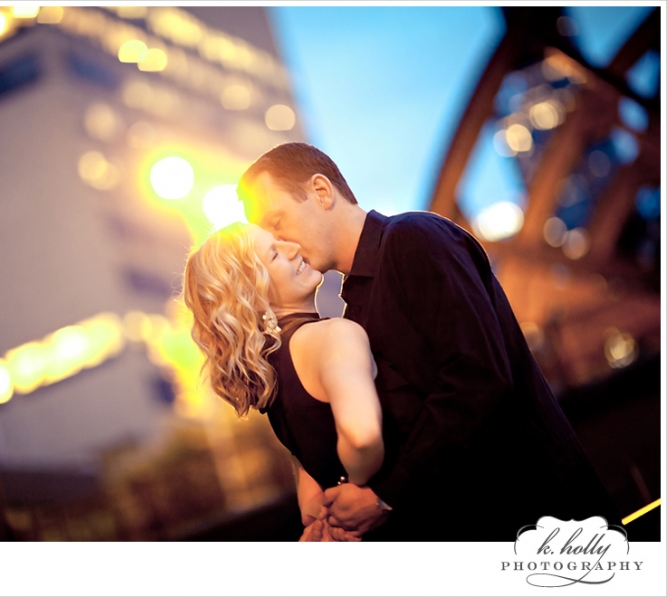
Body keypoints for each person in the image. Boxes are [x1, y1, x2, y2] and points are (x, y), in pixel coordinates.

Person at [236, 142, 621, 541]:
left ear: (321, 191)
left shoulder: (414, 239)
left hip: (544, 518)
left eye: (277, 221)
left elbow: (479, 379)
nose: (283, 244)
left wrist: (385, 495)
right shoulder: (353, 310)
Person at [183, 222, 387, 541]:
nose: (293, 248)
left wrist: (326, 520)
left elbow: (309, 500)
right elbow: (361, 435)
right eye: (275, 253)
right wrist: (357, 486)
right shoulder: (334, 336)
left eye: (280, 240)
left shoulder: (267, 375)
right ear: (253, 293)